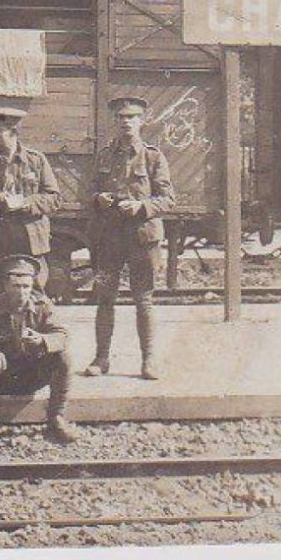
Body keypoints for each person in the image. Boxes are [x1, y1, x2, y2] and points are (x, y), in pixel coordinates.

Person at [87, 96, 176, 379]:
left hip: (142, 238)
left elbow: (168, 199)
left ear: (142, 121)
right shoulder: (103, 156)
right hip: (108, 239)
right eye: (121, 118)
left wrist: (141, 206)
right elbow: (88, 192)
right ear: (114, 121)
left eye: (132, 117)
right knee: (104, 298)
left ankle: (148, 361)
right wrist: (99, 198)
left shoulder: (152, 156)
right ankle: (101, 359)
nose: (126, 122)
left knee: (144, 300)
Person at [0, 254, 80, 445]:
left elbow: (62, 335)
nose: (22, 292)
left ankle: (56, 417)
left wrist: (43, 340)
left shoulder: (43, 306)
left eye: (26, 286)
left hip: (33, 374)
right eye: (16, 286)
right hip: (1, 375)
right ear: (6, 286)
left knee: (64, 358)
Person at [0, 105, 60, 293]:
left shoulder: (36, 161)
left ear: (13, 132)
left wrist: (25, 203)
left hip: (29, 241)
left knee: (34, 293)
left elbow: (54, 198)